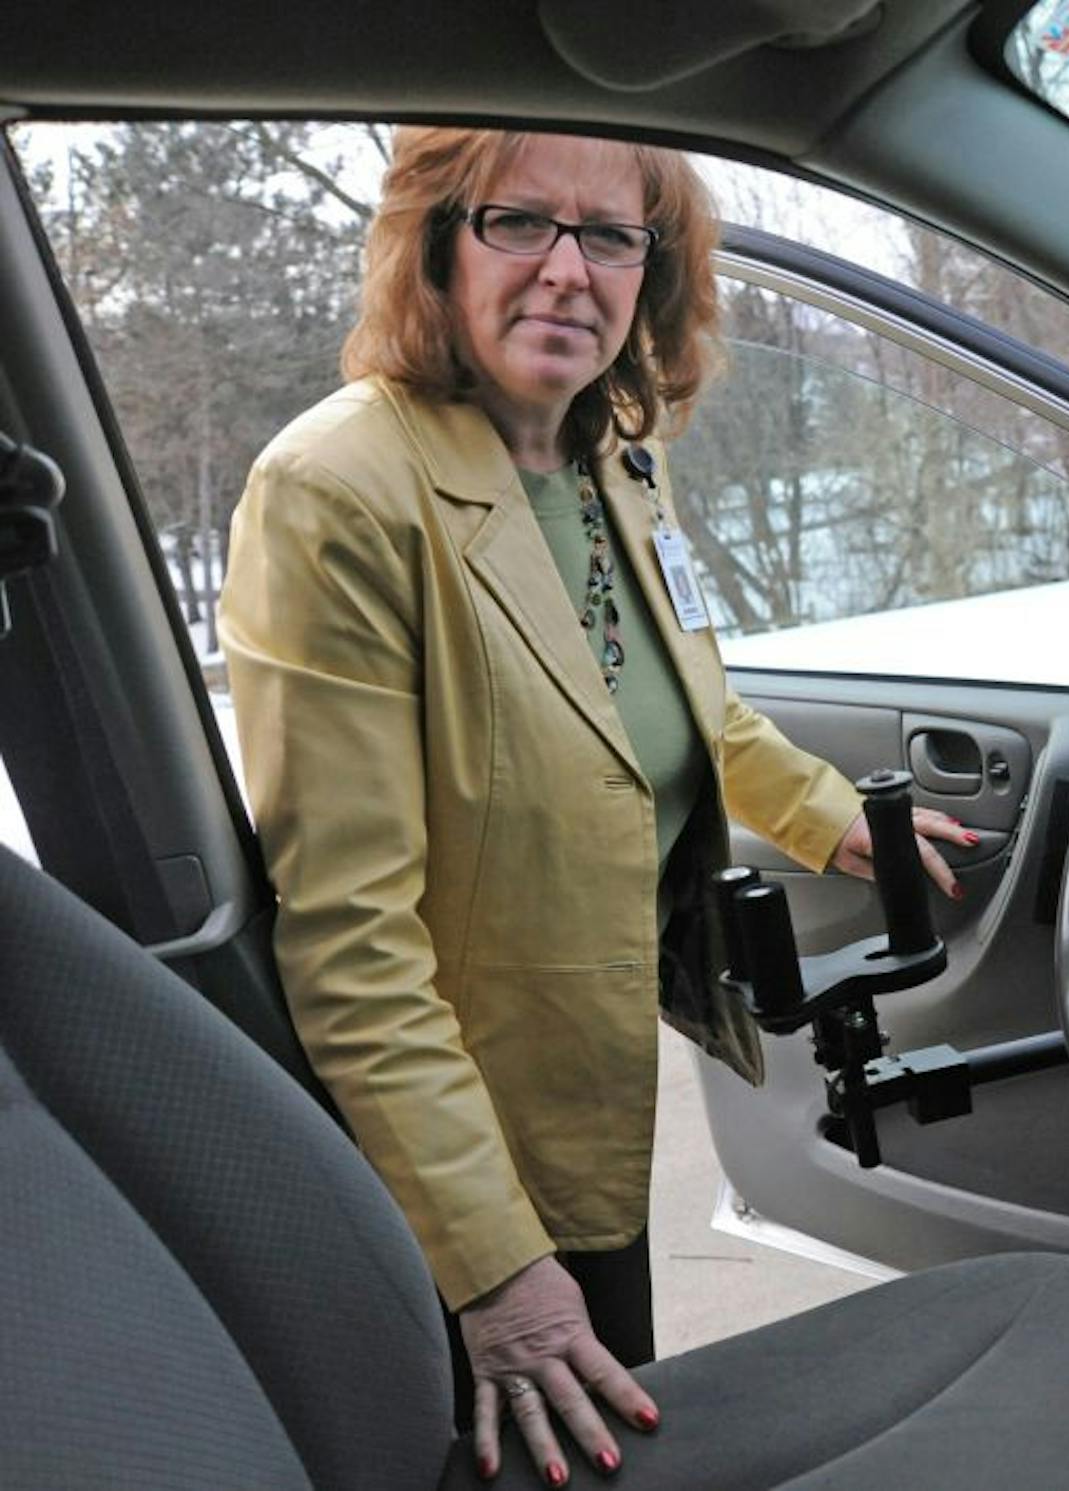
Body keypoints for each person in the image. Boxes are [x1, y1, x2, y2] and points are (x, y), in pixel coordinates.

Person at [219, 127, 972, 1486]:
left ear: (650, 271)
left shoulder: (616, 455)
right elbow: (350, 941)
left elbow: (692, 711)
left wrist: (835, 819)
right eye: (521, 222)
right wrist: (493, 1271)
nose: (569, 269)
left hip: (592, 1108)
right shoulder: (336, 491)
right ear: (438, 249)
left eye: (611, 234)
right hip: (458, 1163)